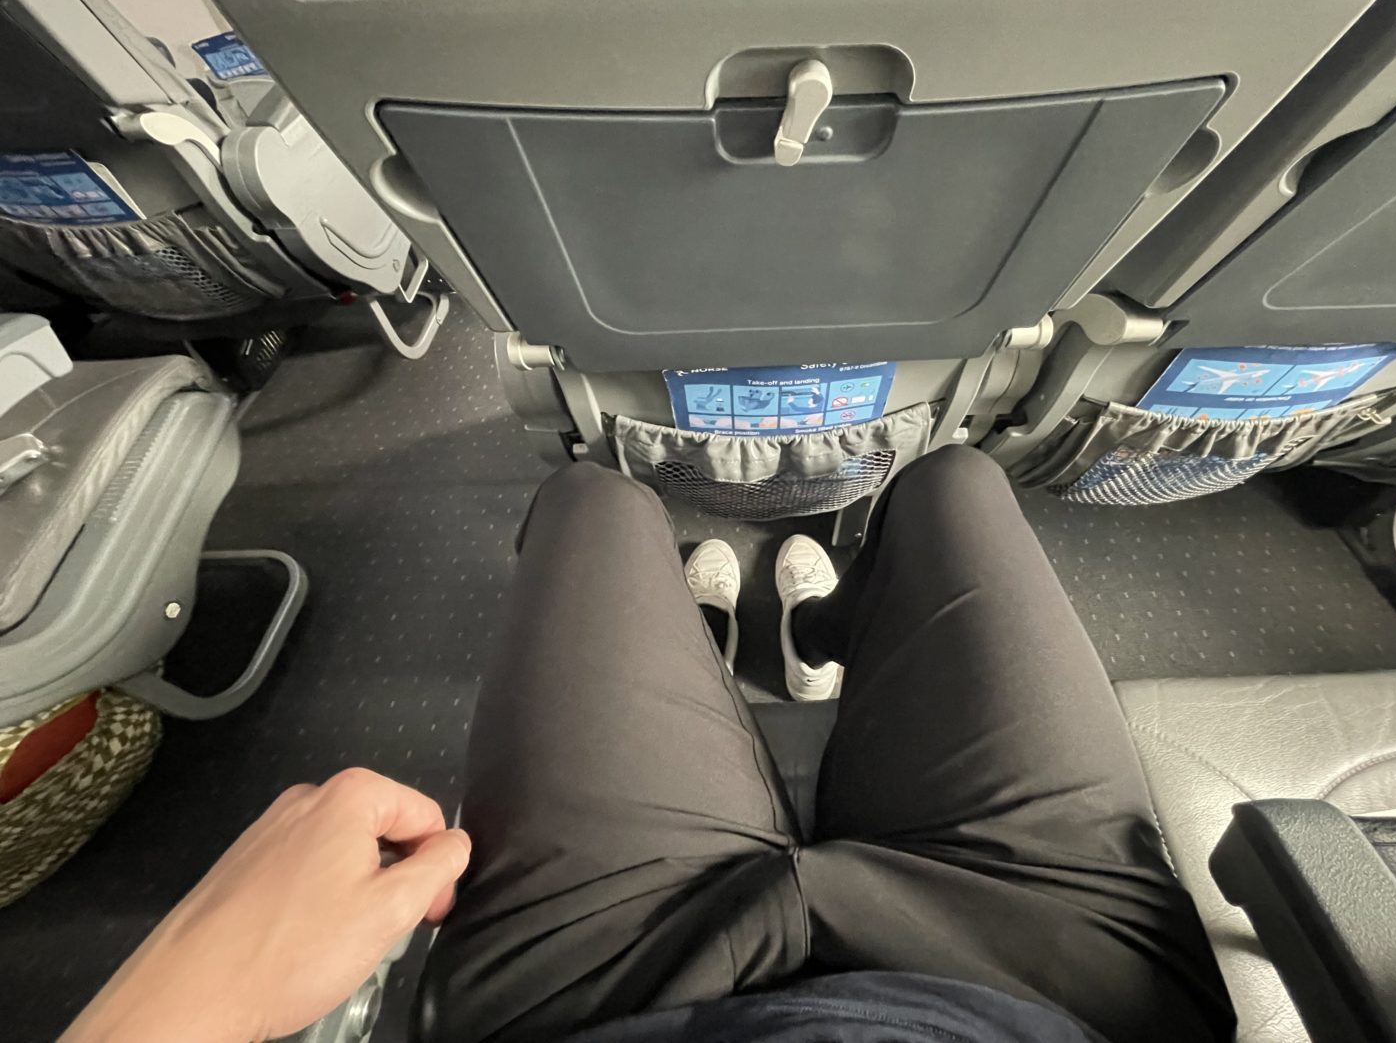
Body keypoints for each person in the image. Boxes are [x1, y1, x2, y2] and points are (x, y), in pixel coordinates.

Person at [64, 447, 1235, 1043]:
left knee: (596, 505)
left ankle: (703, 639)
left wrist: (185, 1003)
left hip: (596, 1001)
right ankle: (817, 637)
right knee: (954, 488)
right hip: (1053, 992)